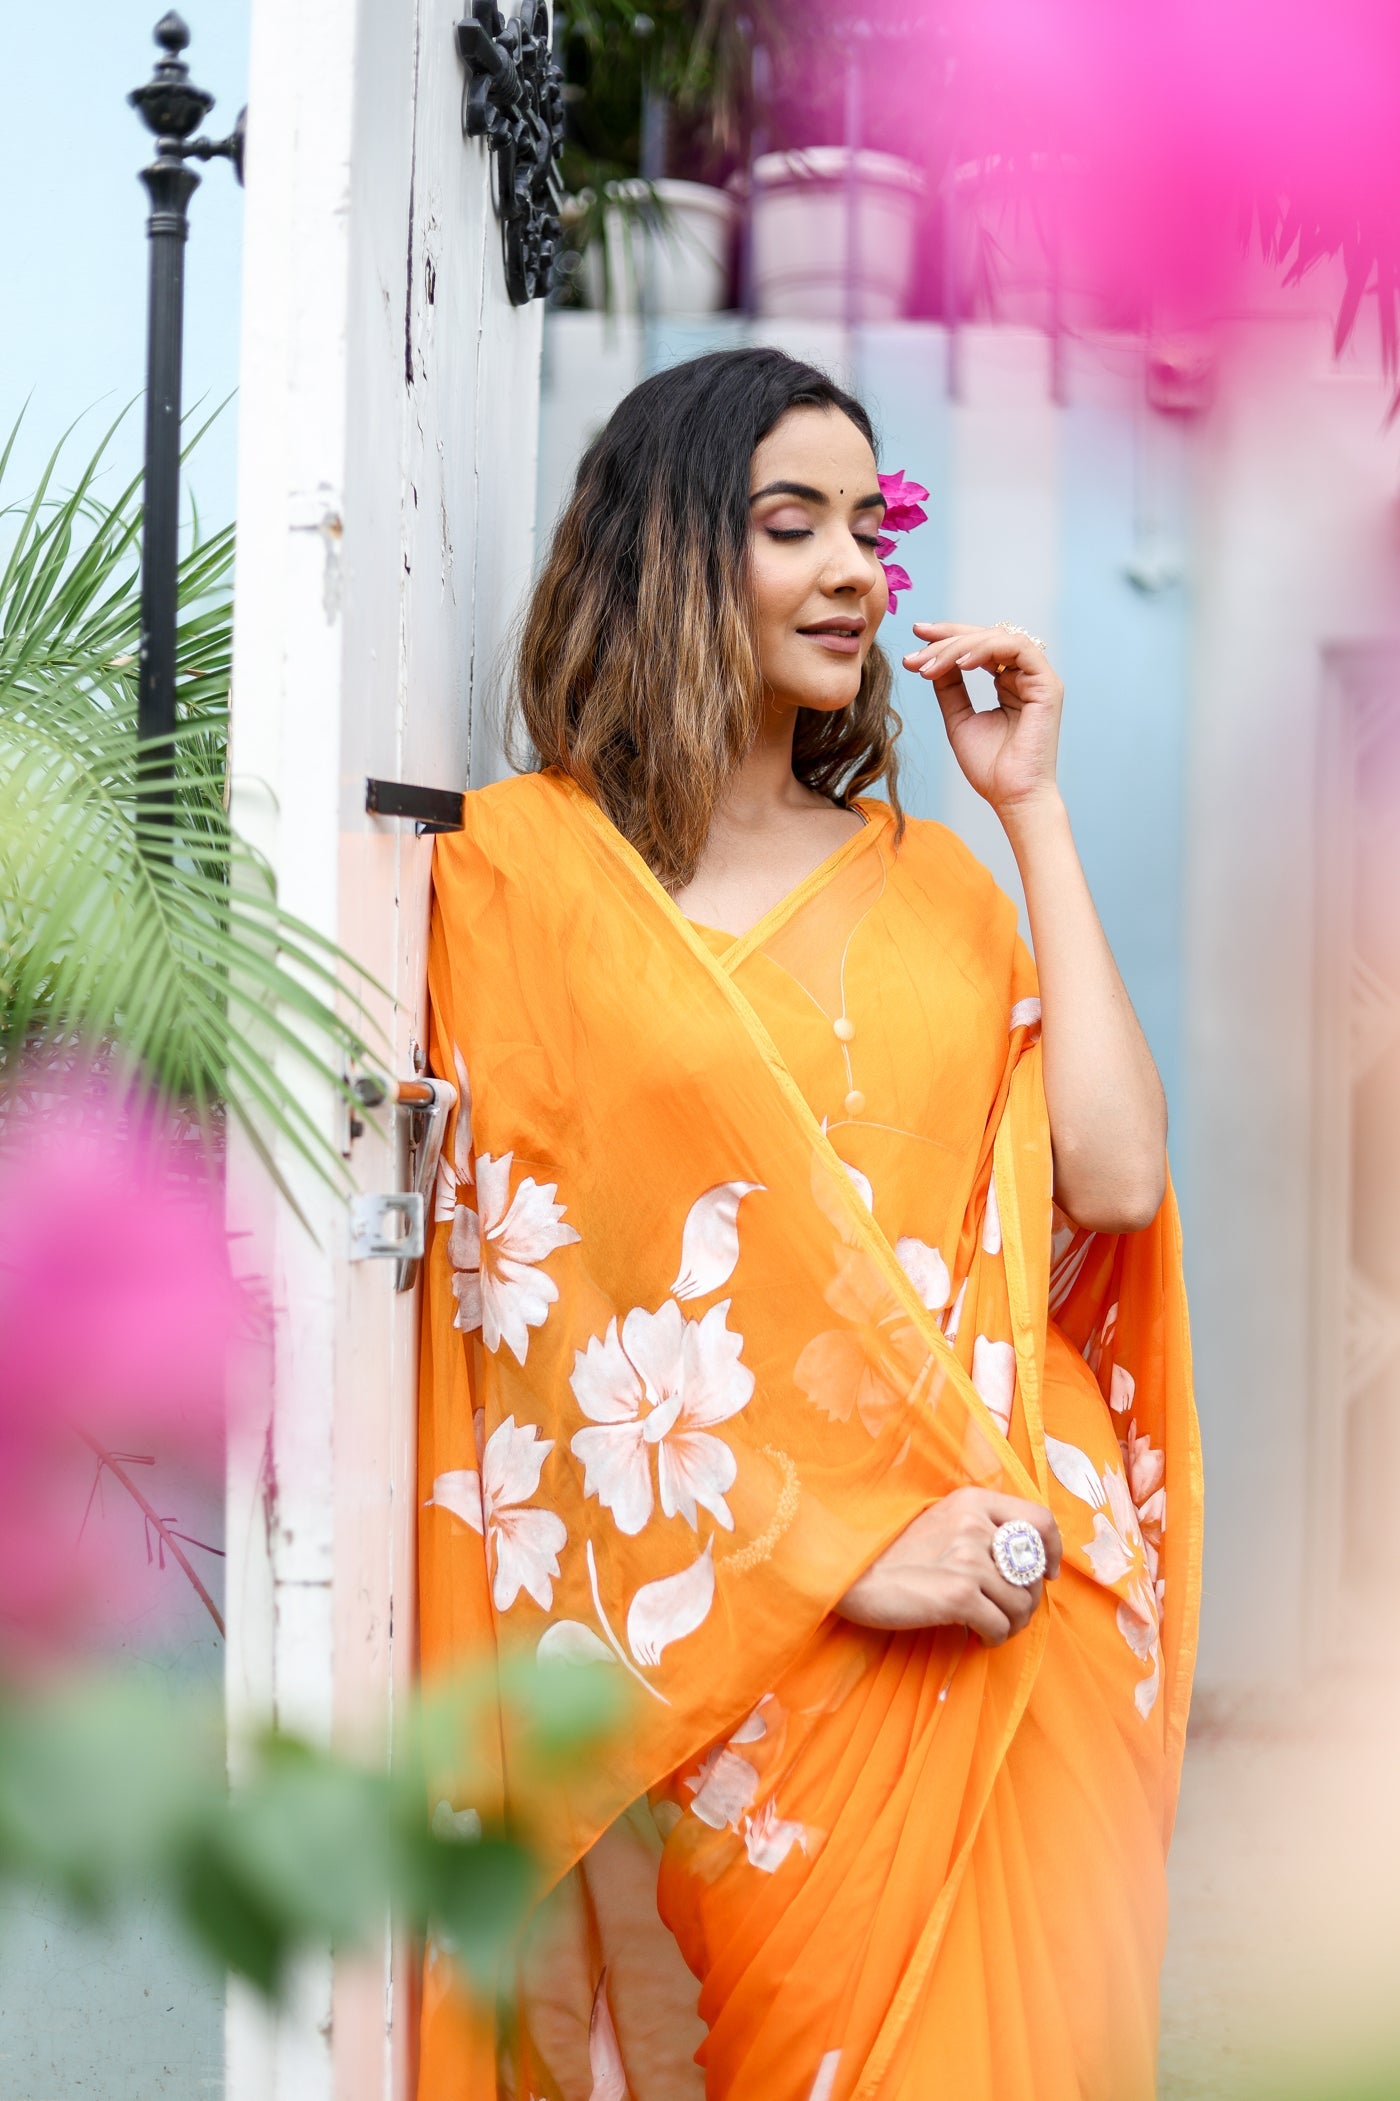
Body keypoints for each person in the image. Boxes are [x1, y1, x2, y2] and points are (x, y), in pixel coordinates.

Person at [417, 347, 1200, 2101]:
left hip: (1007, 1621)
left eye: (873, 523)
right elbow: (533, 1299)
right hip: (730, 1642)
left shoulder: (932, 882)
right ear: (669, 551)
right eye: (794, 524)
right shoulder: (518, 876)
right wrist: (831, 1549)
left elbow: (1119, 1182)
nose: (855, 567)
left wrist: (1033, 810)